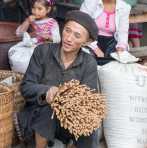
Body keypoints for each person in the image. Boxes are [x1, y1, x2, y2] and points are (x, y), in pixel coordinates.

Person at [14, 10, 99, 148]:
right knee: (49, 108)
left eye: (77, 35)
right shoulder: (42, 51)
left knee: (89, 124)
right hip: (38, 118)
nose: (69, 38)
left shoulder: (89, 62)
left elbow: (90, 98)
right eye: (67, 30)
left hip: (68, 122)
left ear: (86, 41)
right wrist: (46, 91)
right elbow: (26, 87)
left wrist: (70, 101)